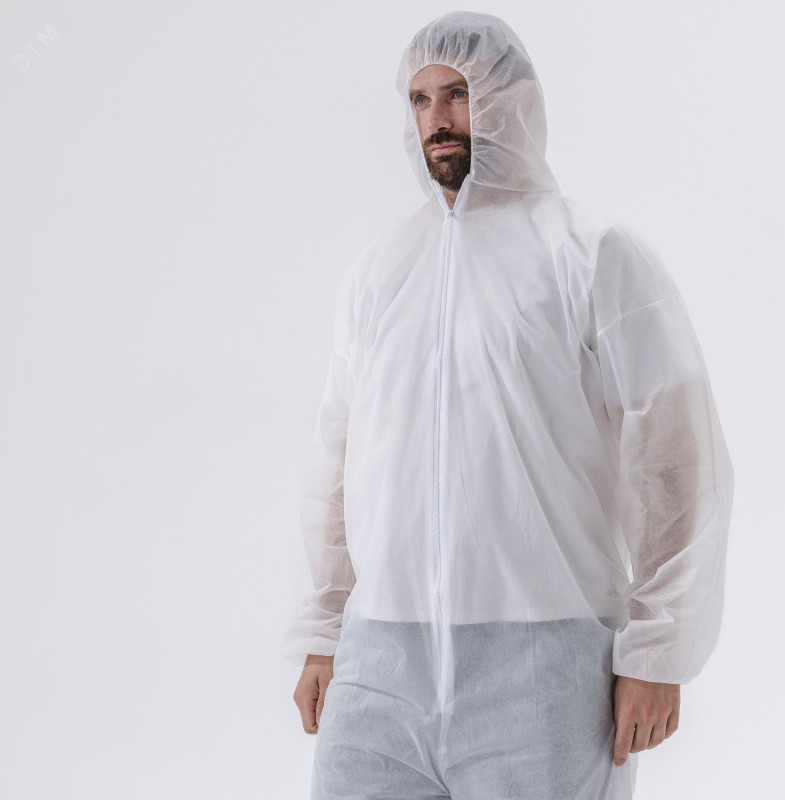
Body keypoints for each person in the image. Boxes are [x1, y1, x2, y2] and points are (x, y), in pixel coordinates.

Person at [282, 11, 734, 800]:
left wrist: (657, 653)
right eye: (420, 99)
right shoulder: (381, 272)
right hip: (379, 667)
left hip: (542, 668)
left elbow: (676, 456)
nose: (437, 119)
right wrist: (325, 631)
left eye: (457, 94)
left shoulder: (592, 253)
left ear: (513, 100)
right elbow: (338, 462)